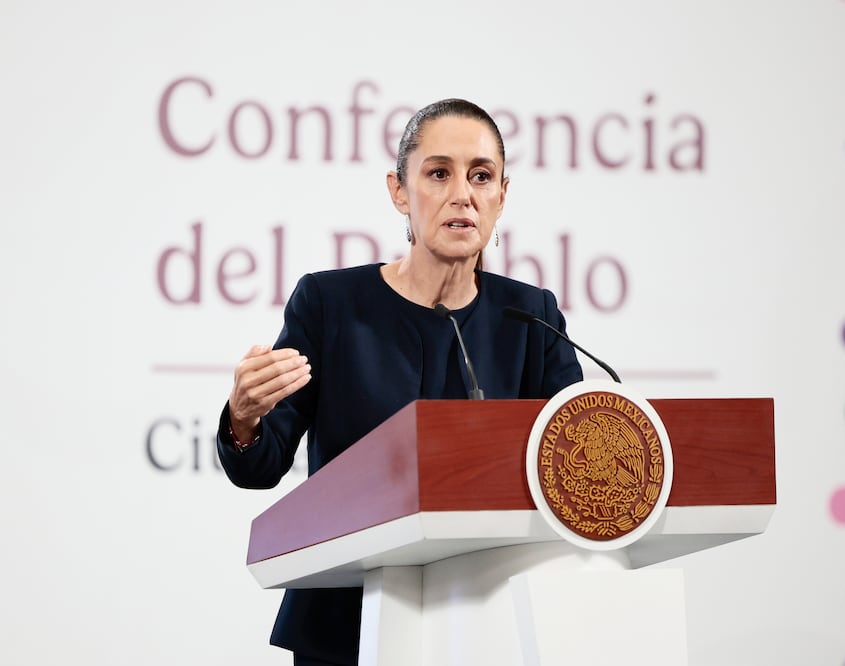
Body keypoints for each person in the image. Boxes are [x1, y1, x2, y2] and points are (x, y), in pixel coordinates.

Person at [215, 98, 584, 666]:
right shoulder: (331, 304)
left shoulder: (531, 318)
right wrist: (244, 418)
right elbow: (260, 465)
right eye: (439, 173)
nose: (462, 193)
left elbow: (578, 462)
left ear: (501, 197)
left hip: (490, 626)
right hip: (346, 623)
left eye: (481, 176)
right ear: (399, 192)